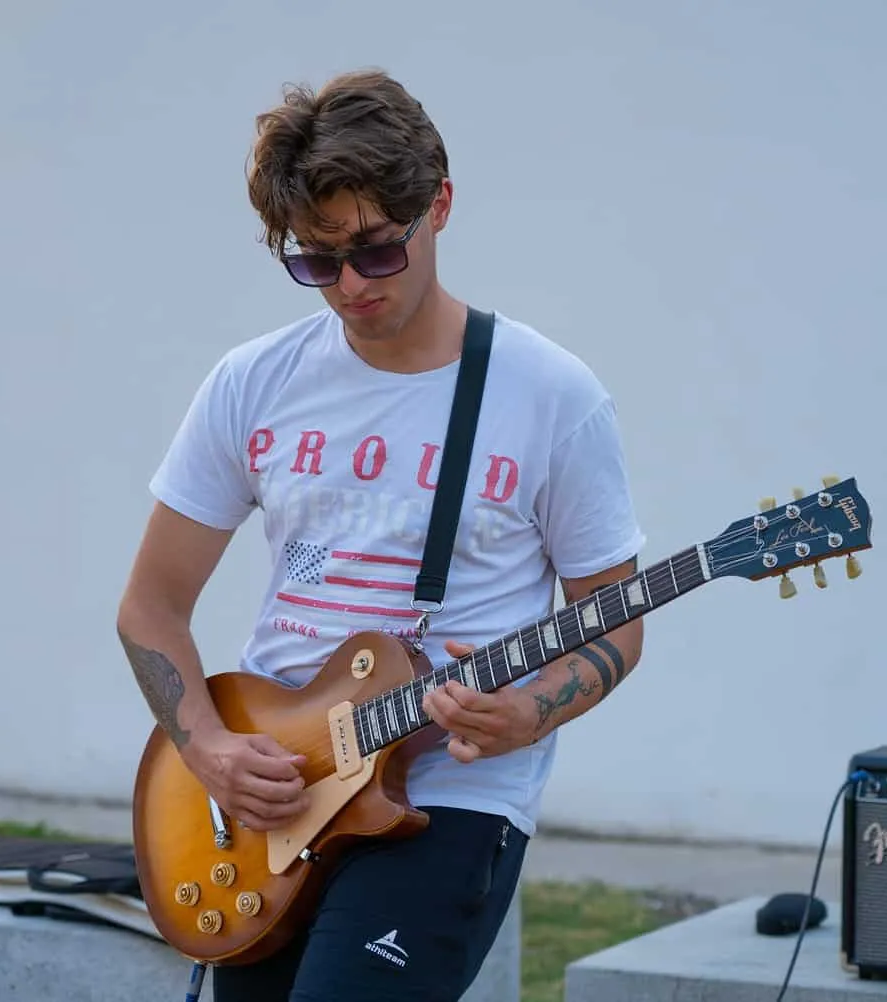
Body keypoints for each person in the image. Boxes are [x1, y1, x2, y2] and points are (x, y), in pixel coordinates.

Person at [115, 67, 647, 1002]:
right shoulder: (253, 381)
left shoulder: (551, 396)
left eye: (374, 250)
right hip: (270, 799)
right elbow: (151, 609)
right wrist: (207, 750)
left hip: (448, 801)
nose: (350, 286)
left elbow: (615, 619)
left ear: (438, 204)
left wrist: (533, 710)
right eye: (317, 261)